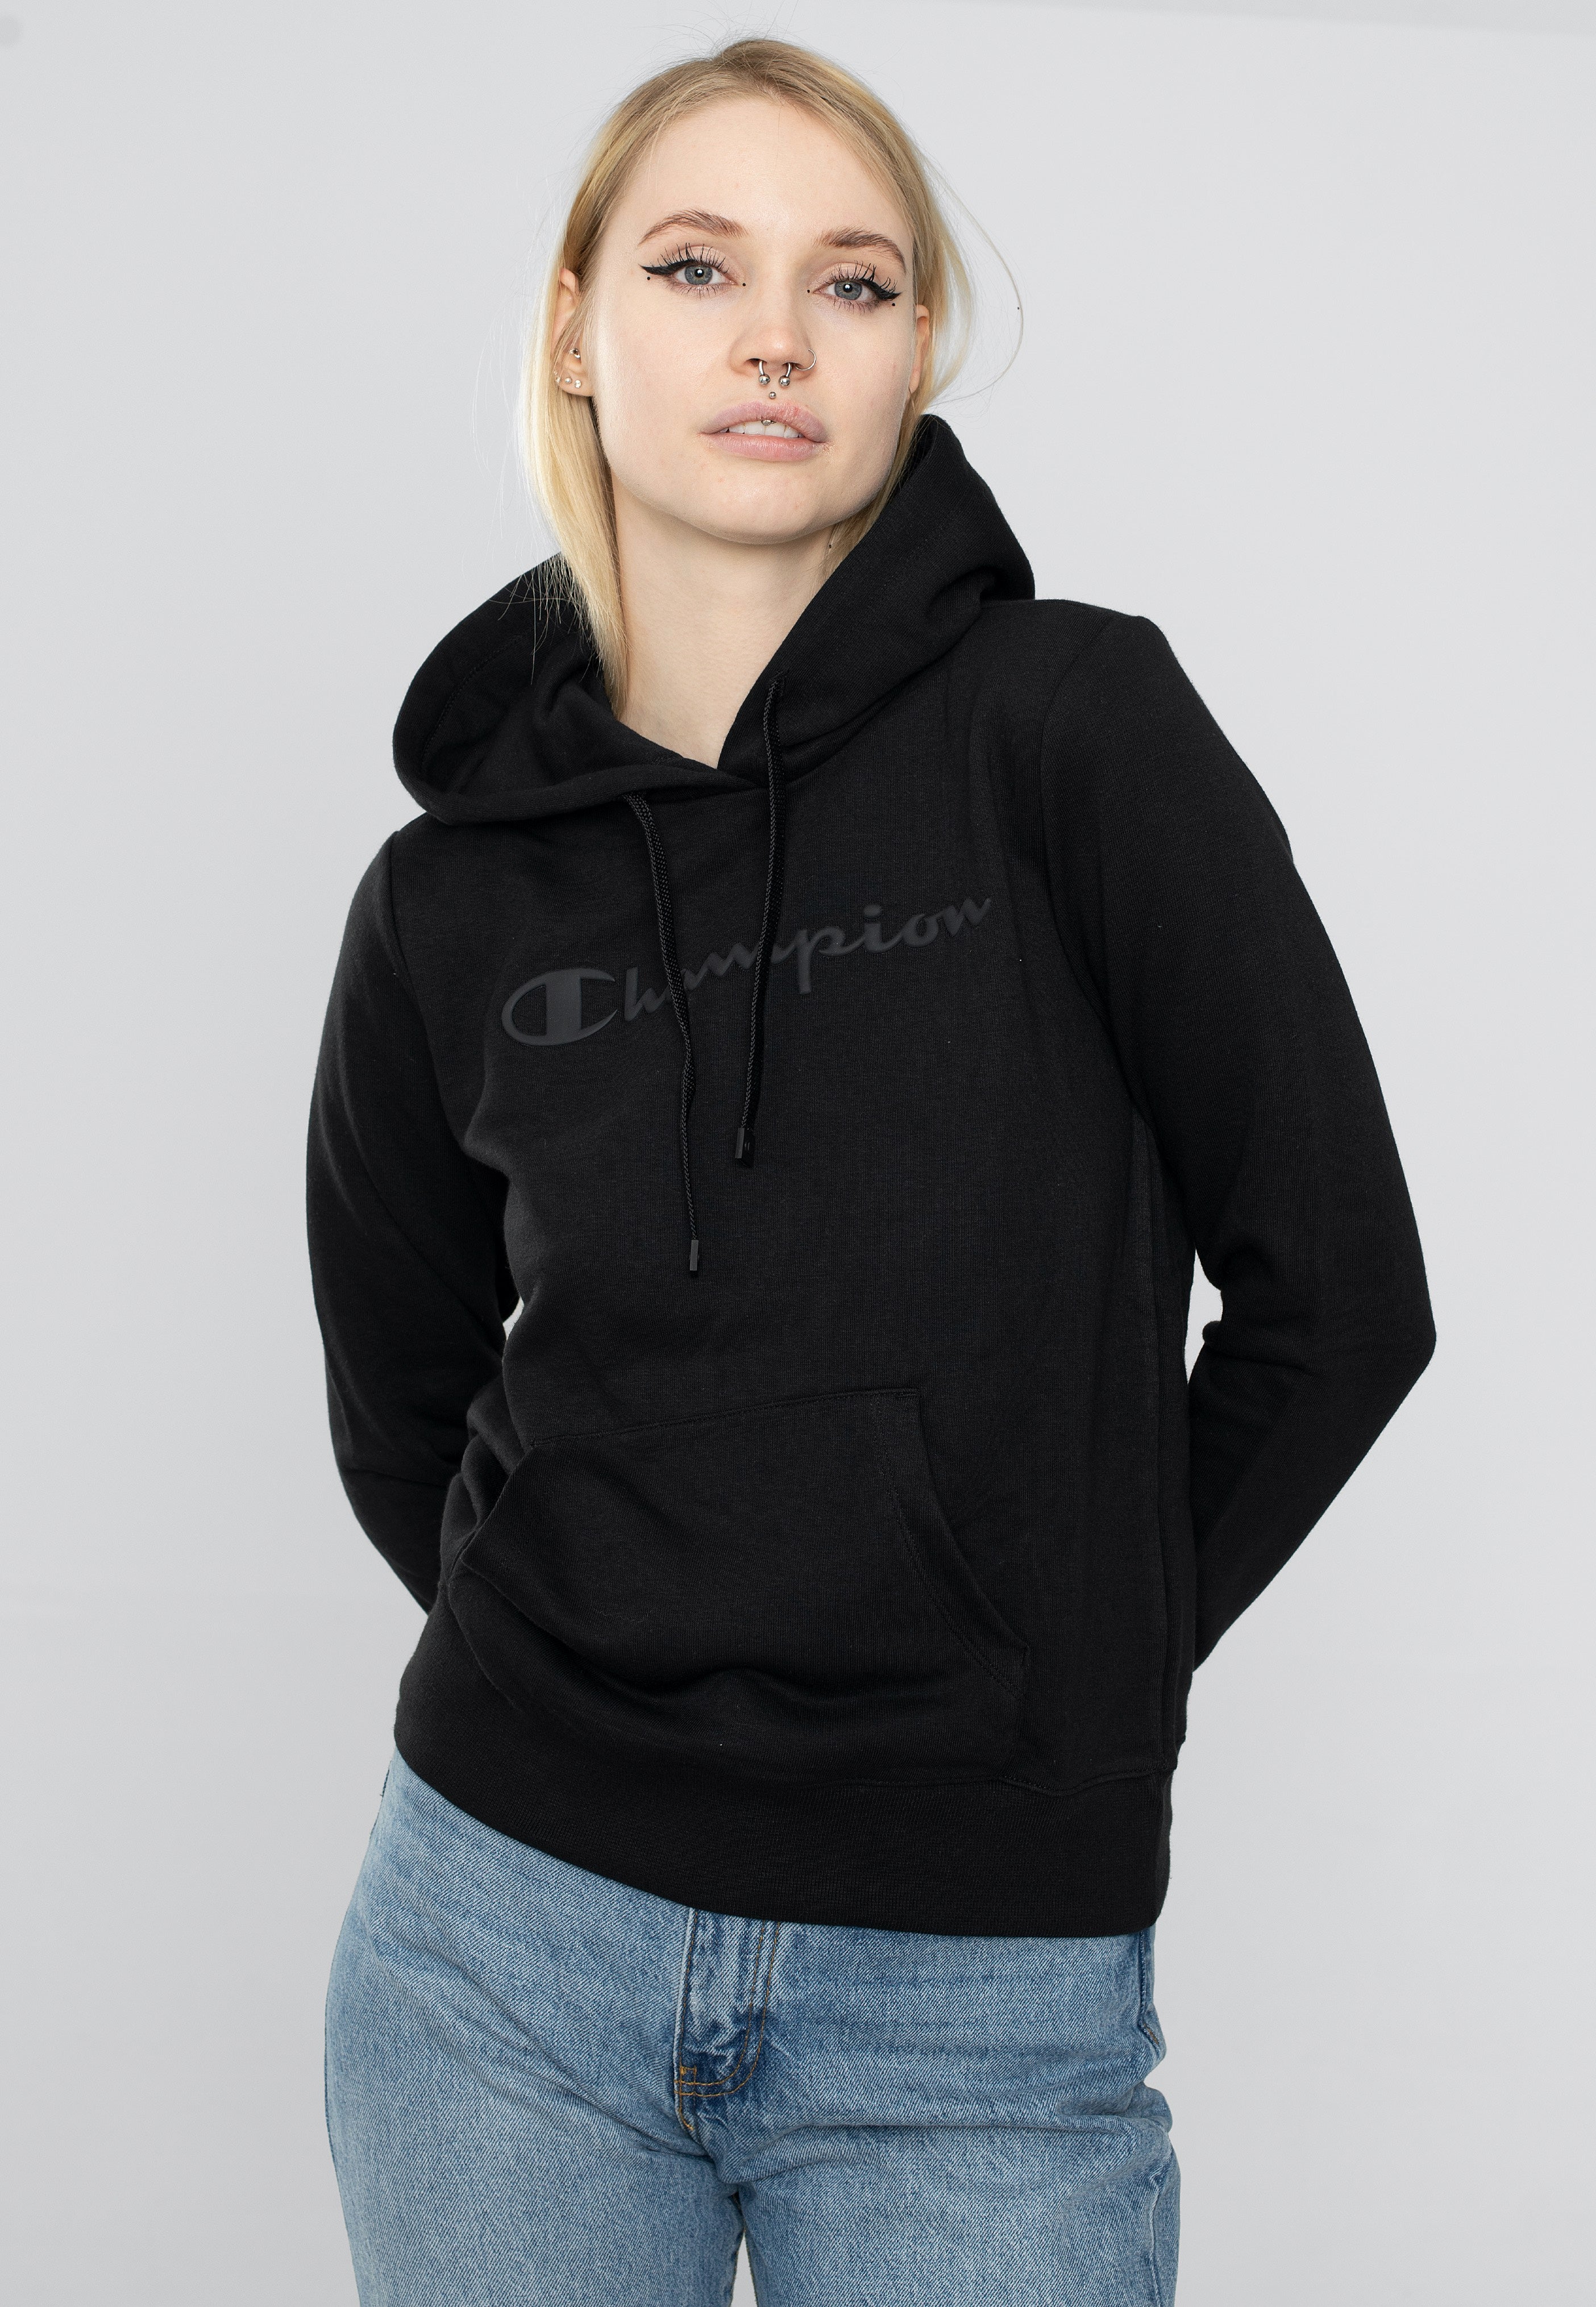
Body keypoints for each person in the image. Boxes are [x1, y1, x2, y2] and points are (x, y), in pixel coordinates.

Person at [307, 36, 1434, 2307]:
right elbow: (404, 1401)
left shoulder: (1075, 731)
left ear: (919, 347)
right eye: (696, 265)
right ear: (573, 326)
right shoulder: (446, 899)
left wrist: (1072, 1658)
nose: (773, 338)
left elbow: (1342, 1301)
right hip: (500, 1949)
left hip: (975, 1996)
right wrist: (592, 1671)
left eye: (852, 281)